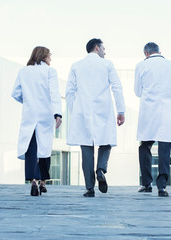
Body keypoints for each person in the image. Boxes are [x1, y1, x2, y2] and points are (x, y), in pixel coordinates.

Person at [66, 38, 126, 197]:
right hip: (103, 109)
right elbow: (117, 87)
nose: (105, 52)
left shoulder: (76, 66)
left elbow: (69, 92)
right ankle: (101, 168)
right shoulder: (107, 64)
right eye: (104, 49)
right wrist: (121, 110)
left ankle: (90, 188)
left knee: (86, 149)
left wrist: (75, 112)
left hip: (82, 111)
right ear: (97, 48)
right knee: (107, 141)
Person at [11, 46, 62, 196]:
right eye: (50, 55)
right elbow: (54, 93)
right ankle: (43, 182)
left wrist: (27, 101)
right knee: (45, 148)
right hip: (46, 114)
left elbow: (15, 93)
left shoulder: (24, 71)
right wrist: (57, 113)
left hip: (30, 114)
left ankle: (33, 180)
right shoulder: (50, 72)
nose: (51, 58)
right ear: (44, 55)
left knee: (32, 148)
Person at [135, 42, 171, 197]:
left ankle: (146, 184)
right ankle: (162, 187)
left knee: (145, 147)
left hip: (149, 113)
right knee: (164, 150)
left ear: (146, 53)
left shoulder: (141, 66)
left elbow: (137, 91)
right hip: (167, 114)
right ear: (159, 51)